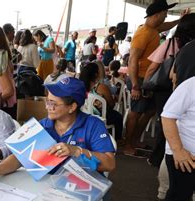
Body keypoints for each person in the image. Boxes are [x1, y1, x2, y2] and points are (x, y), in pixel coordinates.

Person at [123, 1, 189, 156]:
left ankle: (135, 140)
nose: (166, 16)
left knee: (149, 110)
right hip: (138, 79)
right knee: (135, 112)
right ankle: (127, 145)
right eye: (165, 13)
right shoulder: (143, 33)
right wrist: (135, 86)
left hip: (147, 80)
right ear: (158, 14)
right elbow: (133, 60)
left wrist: (181, 20)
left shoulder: (153, 29)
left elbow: (166, 26)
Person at [146, 13, 195, 167]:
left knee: (169, 127)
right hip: (170, 95)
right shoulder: (174, 44)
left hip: (175, 95)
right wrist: (143, 86)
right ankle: (159, 161)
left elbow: (172, 74)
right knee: (169, 126)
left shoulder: (183, 48)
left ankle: (160, 161)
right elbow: (154, 68)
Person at [156, 77, 195, 201]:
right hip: (184, 151)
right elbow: (167, 116)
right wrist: (178, 150)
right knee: (181, 194)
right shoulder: (190, 86)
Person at [80, 62, 124, 140]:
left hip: (83, 113)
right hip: (99, 116)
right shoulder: (101, 87)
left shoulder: (79, 85)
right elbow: (112, 103)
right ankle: (117, 140)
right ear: (96, 74)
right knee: (118, 117)